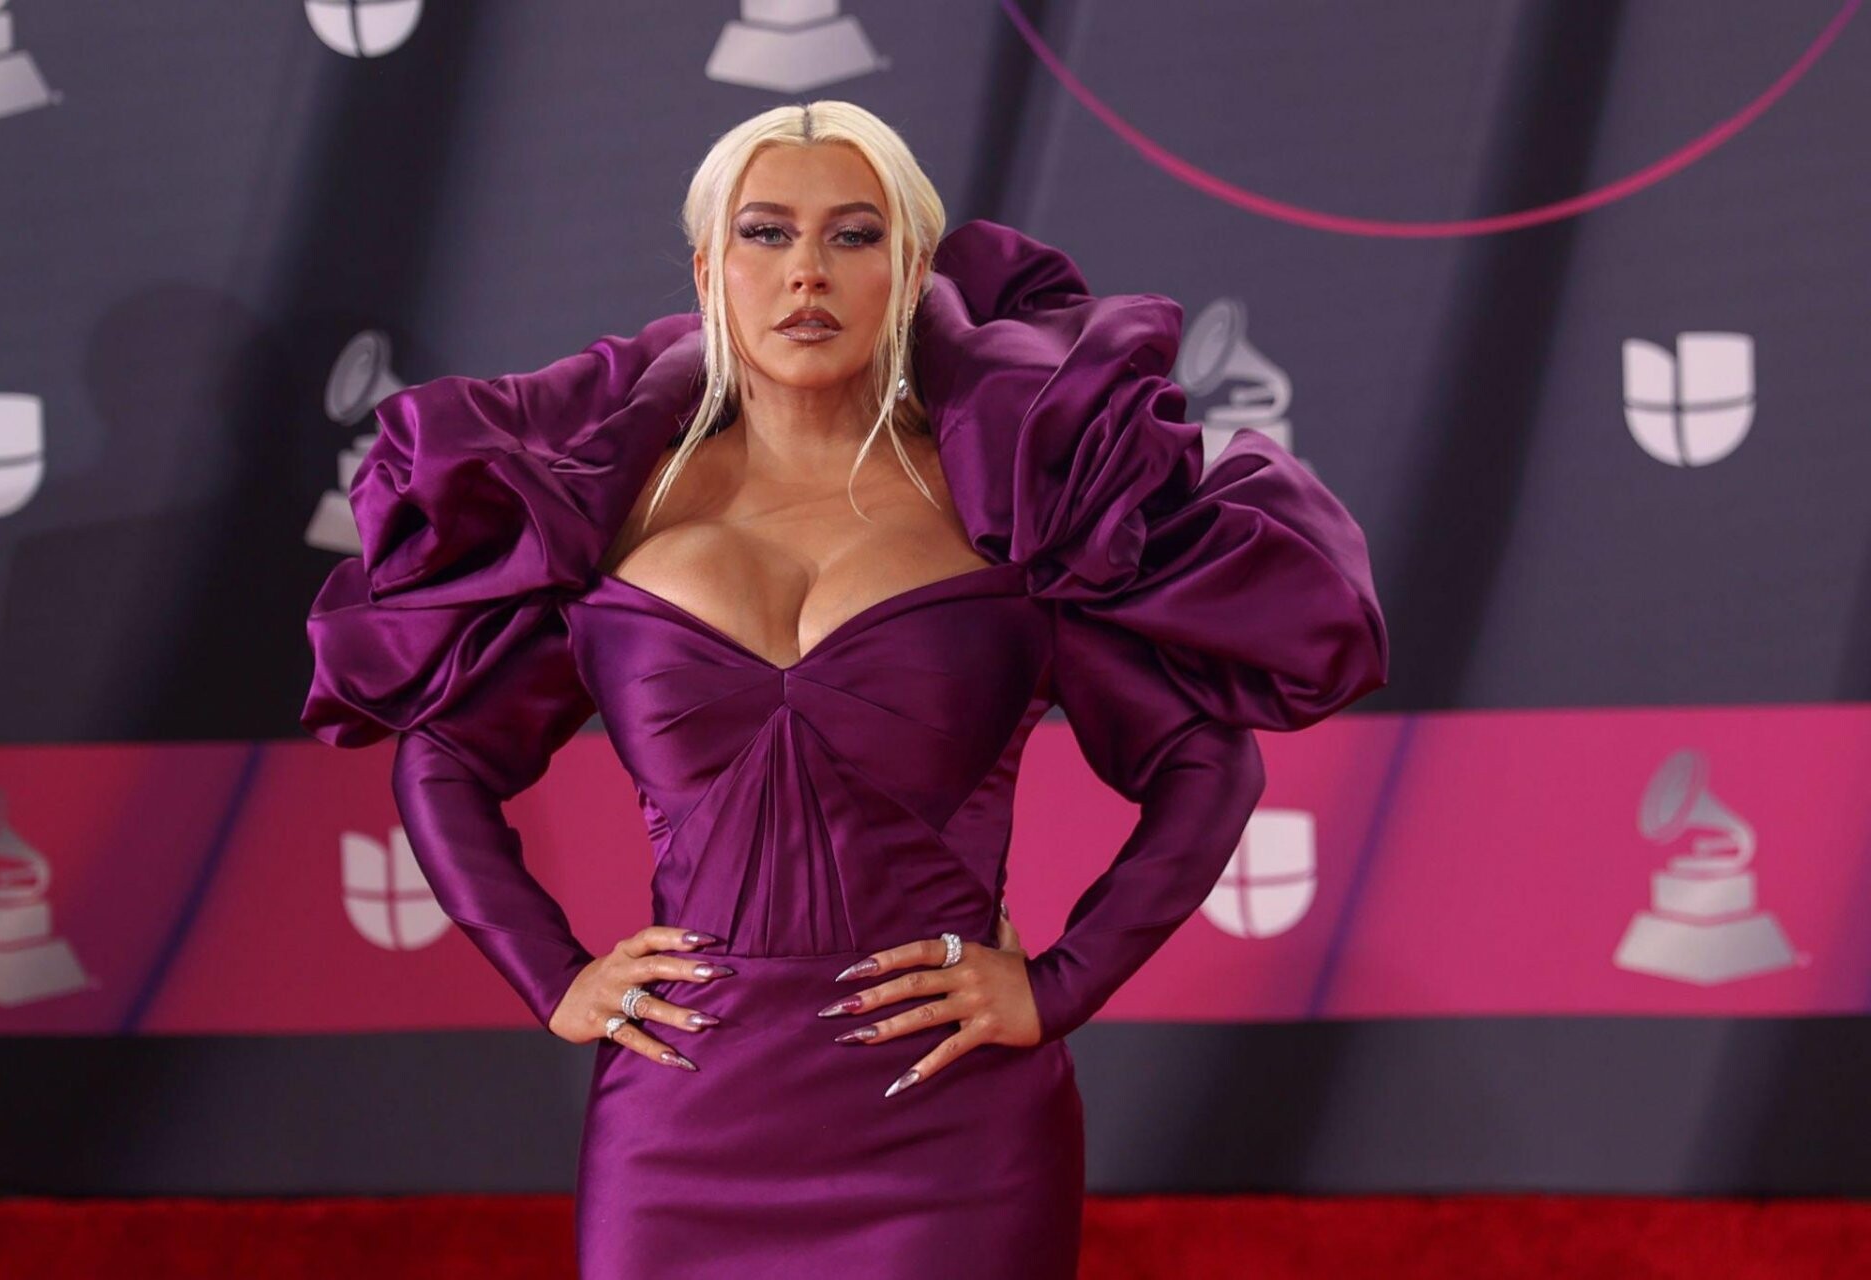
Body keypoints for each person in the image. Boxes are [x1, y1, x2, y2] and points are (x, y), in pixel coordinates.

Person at [301, 100, 1388, 1279]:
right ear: (709, 270)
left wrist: (1060, 984)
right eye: (766, 232)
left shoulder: (1008, 509)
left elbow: (1206, 760)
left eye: (854, 235)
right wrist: (554, 975)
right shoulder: (616, 515)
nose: (806, 272)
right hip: (679, 1121)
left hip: (952, 1128)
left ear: (913, 273)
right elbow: (445, 754)